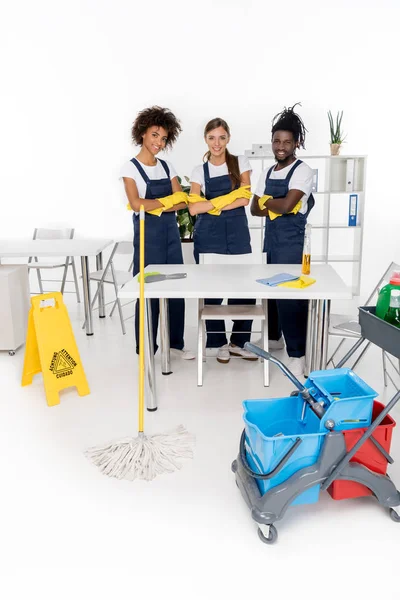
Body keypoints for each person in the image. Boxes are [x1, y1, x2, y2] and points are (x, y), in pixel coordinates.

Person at [120, 106, 194, 359]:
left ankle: (175, 345)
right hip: (147, 237)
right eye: (154, 135)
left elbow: (182, 201)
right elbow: (135, 203)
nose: (158, 143)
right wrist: (166, 202)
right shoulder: (129, 169)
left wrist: (153, 204)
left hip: (171, 236)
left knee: (175, 289)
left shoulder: (166, 166)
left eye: (163, 138)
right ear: (142, 133)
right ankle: (146, 348)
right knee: (147, 290)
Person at [250, 104, 315, 378]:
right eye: (277, 141)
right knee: (270, 291)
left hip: (291, 242)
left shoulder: (303, 171)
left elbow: (288, 206)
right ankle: (275, 339)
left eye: (287, 142)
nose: (281, 146)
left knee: (290, 296)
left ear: (296, 143)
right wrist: (272, 205)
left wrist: (270, 203)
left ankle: (297, 354)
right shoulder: (267, 171)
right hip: (272, 240)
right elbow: (254, 209)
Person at [189, 117, 257, 364]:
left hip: (238, 231)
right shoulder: (199, 171)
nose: (216, 143)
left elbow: (245, 199)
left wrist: (211, 204)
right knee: (211, 288)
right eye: (211, 138)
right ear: (205, 139)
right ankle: (218, 343)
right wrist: (227, 199)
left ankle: (239, 341)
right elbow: (193, 208)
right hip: (208, 234)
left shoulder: (241, 163)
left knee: (244, 286)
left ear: (228, 138)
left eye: (221, 137)